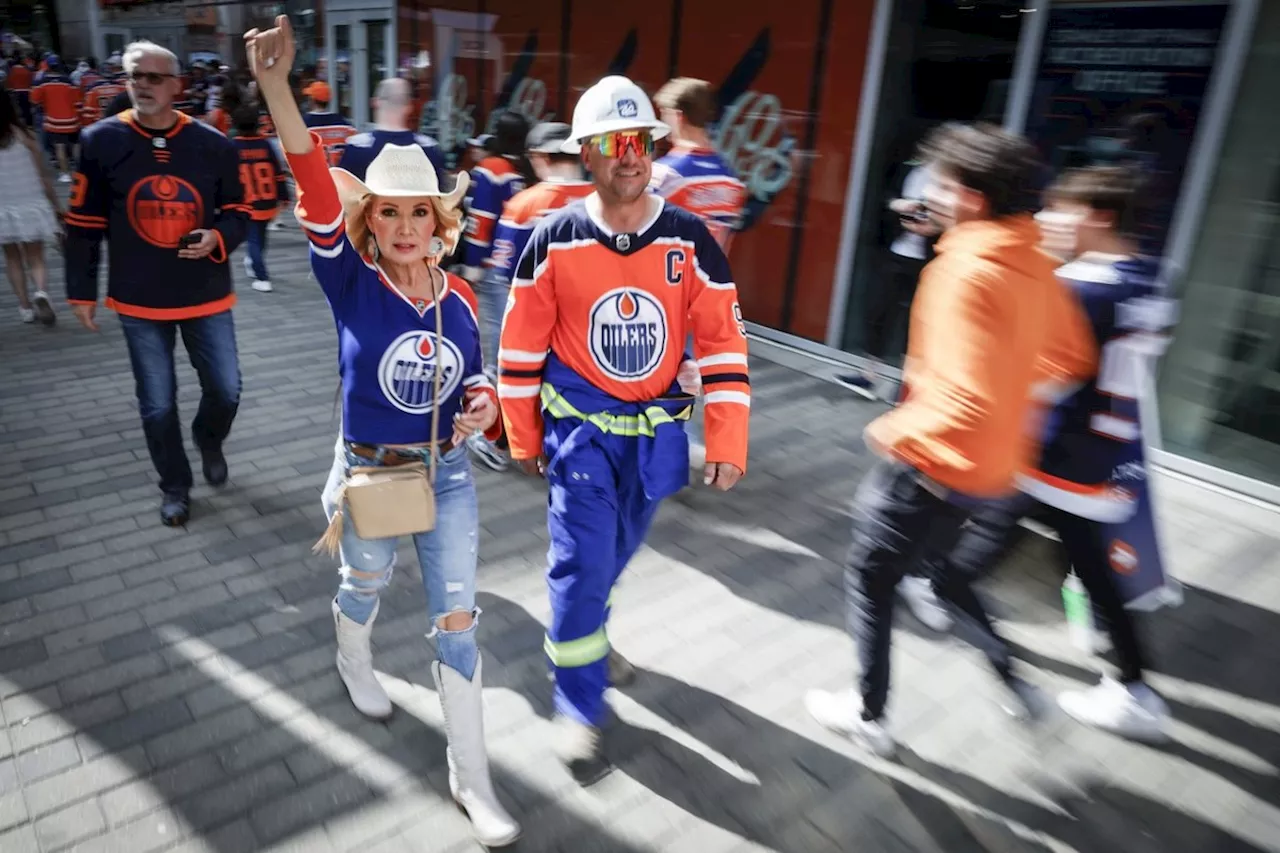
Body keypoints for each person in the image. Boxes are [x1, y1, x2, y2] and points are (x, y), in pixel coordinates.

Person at [245, 17, 520, 847]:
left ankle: (473, 781)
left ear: (442, 220)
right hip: (373, 474)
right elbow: (315, 185)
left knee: (459, 619)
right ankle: (352, 656)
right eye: (389, 212)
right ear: (374, 222)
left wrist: (486, 403)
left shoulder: (463, 301)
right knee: (365, 585)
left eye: (419, 213)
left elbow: (474, 373)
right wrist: (275, 89)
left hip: (449, 474)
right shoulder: (351, 281)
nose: (404, 226)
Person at [803, 123, 1098, 758]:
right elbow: (1072, 357)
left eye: (942, 182)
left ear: (971, 196)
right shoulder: (1036, 263)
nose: (932, 194)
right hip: (992, 470)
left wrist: (893, 430)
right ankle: (1017, 685)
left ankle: (868, 714)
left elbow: (966, 395)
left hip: (933, 464)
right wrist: (1010, 392)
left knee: (871, 578)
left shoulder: (962, 268)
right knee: (940, 577)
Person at [498, 75, 751, 780]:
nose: (627, 155)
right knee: (580, 571)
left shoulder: (690, 238)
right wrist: (522, 433)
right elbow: (519, 348)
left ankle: (589, 637)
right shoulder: (553, 237)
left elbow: (724, 342)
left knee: (612, 558)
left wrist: (728, 438)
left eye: (638, 140)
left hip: (657, 439)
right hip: (580, 439)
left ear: (653, 146)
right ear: (588, 155)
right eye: (610, 144)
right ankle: (578, 703)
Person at [921, 166, 1174, 741]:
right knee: (1087, 566)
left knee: (965, 559)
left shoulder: (1080, 288)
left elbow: (1033, 372)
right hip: (1100, 455)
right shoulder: (1152, 279)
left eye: (1065, 210)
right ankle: (1134, 689)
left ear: (1101, 216)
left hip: (1053, 455)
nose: (1048, 220)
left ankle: (1045, 683)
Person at [64, 40, 249, 527]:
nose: (142, 85)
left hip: (206, 292)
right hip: (139, 297)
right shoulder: (100, 141)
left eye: (153, 77)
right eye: (134, 76)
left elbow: (240, 213)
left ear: (176, 86)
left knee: (226, 390)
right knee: (156, 402)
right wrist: (81, 291)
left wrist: (217, 236)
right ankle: (175, 485)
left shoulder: (214, 145)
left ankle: (208, 438)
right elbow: (83, 223)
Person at [465, 120, 593, 472]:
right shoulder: (604, 202)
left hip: (532, 314)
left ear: (538, 157)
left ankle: (489, 436)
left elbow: (507, 269)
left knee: (510, 369)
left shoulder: (524, 204)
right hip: (586, 320)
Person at [649, 77, 745, 252]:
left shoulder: (664, 174)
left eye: (664, 114)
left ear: (678, 117)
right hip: (711, 276)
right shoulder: (731, 180)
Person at [0, 86, 60, 325]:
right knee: (36, 256)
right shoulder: (26, 136)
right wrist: (55, 204)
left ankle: (24, 307)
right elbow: (43, 175)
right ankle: (42, 292)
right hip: (30, 202)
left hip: (3, 206)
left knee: (12, 258)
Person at [458, 111, 535, 282]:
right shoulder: (530, 170)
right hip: (524, 263)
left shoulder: (491, 168)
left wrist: (472, 263)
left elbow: (481, 217)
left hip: (493, 264)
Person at [338, 76, 444, 180]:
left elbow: (342, 192)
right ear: (409, 107)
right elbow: (440, 194)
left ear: (375, 102)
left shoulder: (357, 148)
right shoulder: (429, 148)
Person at [230, 105, 288, 292]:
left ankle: (262, 276)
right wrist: (284, 195)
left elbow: (227, 177)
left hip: (246, 202)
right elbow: (278, 173)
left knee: (254, 239)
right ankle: (253, 262)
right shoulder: (265, 145)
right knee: (260, 237)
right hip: (268, 200)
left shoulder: (232, 146)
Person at [29, 54, 80, 182]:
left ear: (48, 67)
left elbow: (34, 100)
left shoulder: (42, 83)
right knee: (75, 147)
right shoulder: (69, 82)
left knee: (60, 147)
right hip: (72, 120)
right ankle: (80, 172)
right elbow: (78, 100)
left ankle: (65, 174)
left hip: (54, 121)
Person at [301, 80, 355, 165]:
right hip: (338, 174)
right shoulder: (346, 126)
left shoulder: (302, 125)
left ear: (312, 100)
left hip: (316, 174)